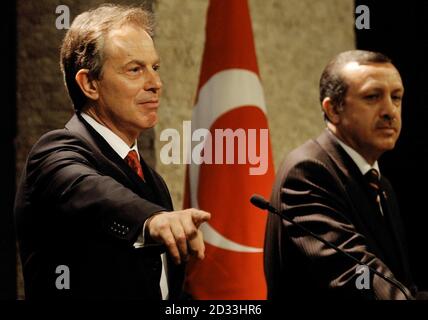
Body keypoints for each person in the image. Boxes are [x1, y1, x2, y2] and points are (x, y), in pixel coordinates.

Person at [14, 4, 210, 299]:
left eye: (154, 68)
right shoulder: (54, 154)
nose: (156, 83)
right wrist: (152, 219)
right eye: (135, 69)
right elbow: (94, 192)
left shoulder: (153, 183)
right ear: (90, 84)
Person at [264, 50, 423, 300]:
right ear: (333, 110)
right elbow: (357, 278)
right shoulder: (307, 172)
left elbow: (399, 282)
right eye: (372, 97)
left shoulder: (381, 183)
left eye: (396, 97)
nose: (390, 111)